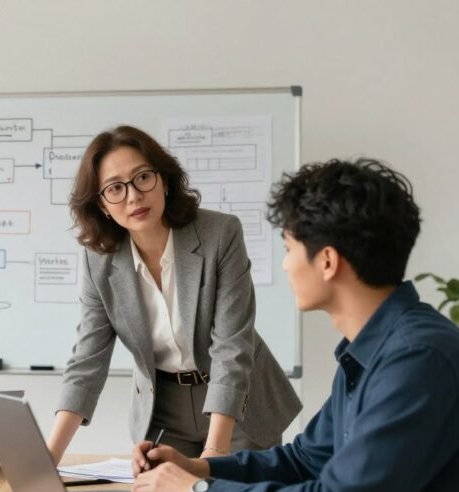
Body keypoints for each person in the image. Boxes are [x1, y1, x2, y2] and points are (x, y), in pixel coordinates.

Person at [130, 159, 459, 492]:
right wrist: (201, 470)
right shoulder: (376, 349)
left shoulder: (419, 361)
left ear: (327, 261)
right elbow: (304, 461)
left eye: (288, 249)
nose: (285, 265)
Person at [47, 125, 301, 461]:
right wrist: (48, 458)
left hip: (238, 400)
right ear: (103, 206)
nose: (134, 196)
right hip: (163, 408)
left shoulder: (219, 234)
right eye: (115, 188)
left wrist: (214, 452)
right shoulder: (100, 261)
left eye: (142, 178)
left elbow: (232, 347)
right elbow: (88, 359)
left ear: (164, 180)